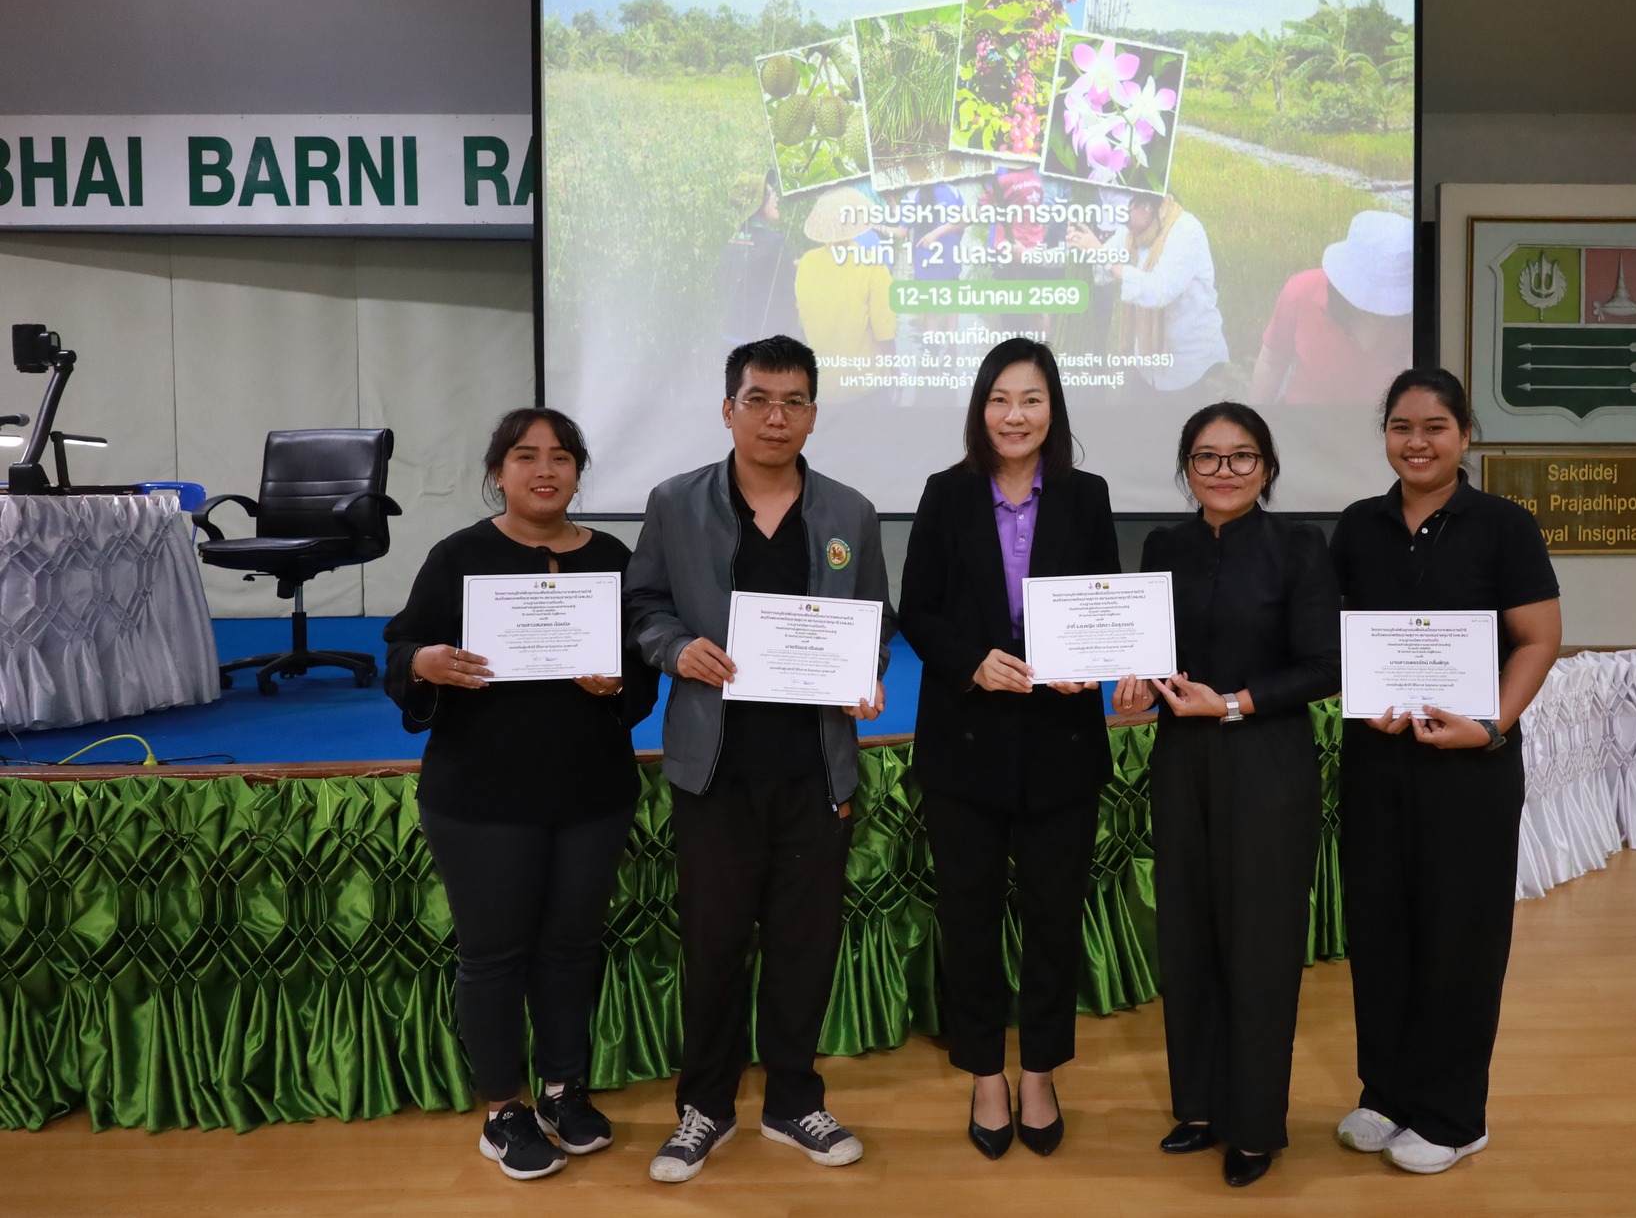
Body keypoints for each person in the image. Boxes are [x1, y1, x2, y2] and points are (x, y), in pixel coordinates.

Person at [624, 335, 893, 1184]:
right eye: (759, 399)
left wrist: (867, 674)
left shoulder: (850, 511)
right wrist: (675, 648)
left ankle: (792, 1099)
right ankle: (704, 1106)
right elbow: (643, 601)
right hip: (715, 766)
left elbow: (876, 619)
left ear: (813, 414)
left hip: (816, 766)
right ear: (728, 408)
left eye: (794, 401)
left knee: (804, 944)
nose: (776, 417)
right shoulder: (676, 502)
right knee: (713, 944)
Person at [383, 407, 659, 1181]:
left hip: (591, 791)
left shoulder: (612, 557)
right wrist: (425, 663)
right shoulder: (459, 555)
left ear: (578, 472)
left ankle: (563, 1089)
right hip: (481, 795)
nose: (545, 469)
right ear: (498, 471)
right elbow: (402, 648)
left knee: (571, 948)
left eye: (562, 456)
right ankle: (503, 1109)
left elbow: (642, 672)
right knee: (495, 953)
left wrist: (618, 683)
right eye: (526, 455)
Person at [1328, 366, 1562, 1175]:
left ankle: (1456, 1115)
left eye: (1434, 427)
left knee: (1460, 934)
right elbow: (1337, 637)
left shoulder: (1504, 526)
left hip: (1471, 766)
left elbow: (1537, 638)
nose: (1416, 442)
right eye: (1401, 426)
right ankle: (1388, 1093)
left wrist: (1491, 724)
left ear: (1465, 435)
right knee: (1381, 927)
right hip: (1377, 758)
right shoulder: (1357, 525)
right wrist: (1364, 698)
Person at [898, 337, 1121, 1161]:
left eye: (1030, 399)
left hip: (1062, 740)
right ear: (979, 408)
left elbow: (1104, 603)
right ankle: (986, 1073)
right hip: (966, 741)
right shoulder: (946, 492)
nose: (1014, 415)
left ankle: (1039, 1071)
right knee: (970, 917)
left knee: (1055, 918)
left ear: (1053, 408)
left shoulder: (1087, 495)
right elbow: (918, 608)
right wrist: (970, 661)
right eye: (999, 399)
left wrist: (1093, 661)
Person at [1111, 402, 1340, 1189]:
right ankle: (1201, 1107)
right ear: (1186, 469)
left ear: (1267, 467)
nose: (1224, 471)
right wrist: (1137, 683)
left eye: (1242, 456)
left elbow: (1325, 665)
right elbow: (1151, 655)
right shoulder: (1164, 547)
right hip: (1182, 757)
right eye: (1206, 457)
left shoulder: (1299, 546)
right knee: (1189, 932)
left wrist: (1235, 702)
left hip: (1267, 758)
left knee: (1260, 943)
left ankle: (1255, 1125)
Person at [1067, 191, 1228, 392]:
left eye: (1124, 210)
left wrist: (1103, 256)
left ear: (1147, 205)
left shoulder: (1186, 230)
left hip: (1188, 362)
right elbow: (1099, 273)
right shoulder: (1129, 232)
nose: (1120, 217)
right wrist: (1078, 246)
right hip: (1146, 359)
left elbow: (1160, 291)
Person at [1249, 209, 1413, 406]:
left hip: (1385, 423)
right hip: (1303, 419)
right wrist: (1254, 420)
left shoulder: (1420, 315)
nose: (1376, 310)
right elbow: (1272, 362)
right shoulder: (1302, 290)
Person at [793, 185, 898, 401]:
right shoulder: (873, 265)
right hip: (867, 390)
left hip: (821, 390)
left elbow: (803, 324)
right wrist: (896, 375)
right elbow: (885, 334)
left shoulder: (806, 264)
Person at [715, 170, 800, 349]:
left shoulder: (731, 241)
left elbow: (744, 279)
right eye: (771, 193)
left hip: (731, 340)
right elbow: (786, 296)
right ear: (759, 201)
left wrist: (789, 265)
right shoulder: (774, 242)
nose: (776, 198)